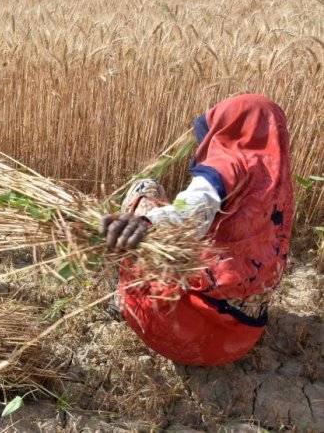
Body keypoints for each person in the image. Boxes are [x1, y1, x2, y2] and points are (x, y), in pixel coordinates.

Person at [99, 94, 293, 366]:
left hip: (185, 333)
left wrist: (144, 224)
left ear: (232, 127)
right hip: (239, 341)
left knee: (146, 190)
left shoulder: (229, 164)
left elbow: (192, 211)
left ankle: (121, 297)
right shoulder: (278, 189)